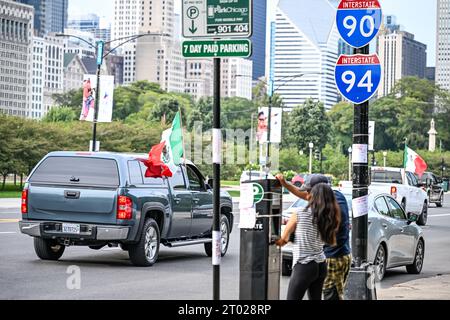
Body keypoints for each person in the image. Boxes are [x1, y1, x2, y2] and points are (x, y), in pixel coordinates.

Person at [276, 174, 352, 300]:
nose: (306, 193)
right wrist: (286, 184)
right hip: (322, 263)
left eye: (308, 190)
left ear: (314, 192)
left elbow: (283, 239)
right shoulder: (331, 207)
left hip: (310, 263)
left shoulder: (301, 213)